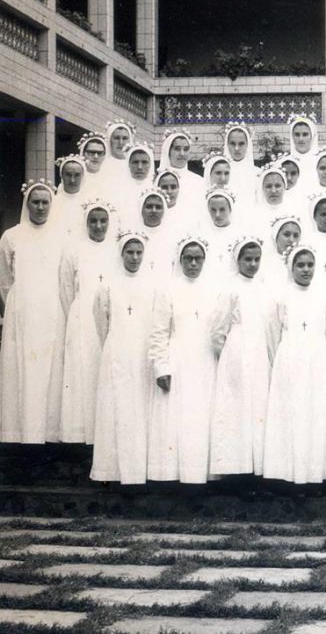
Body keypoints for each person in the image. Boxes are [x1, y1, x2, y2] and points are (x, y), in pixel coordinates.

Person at [262, 245, 326, 484]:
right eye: (300, 265)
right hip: (290, 361)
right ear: (291, 267)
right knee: (292, 415)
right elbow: (272, 333)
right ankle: (289, 475)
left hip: (316, 360)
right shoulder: (281, 297)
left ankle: (314, 475)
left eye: (310, 265)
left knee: (315, 414)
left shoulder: (324, 296)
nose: (306, 270)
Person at [148, 238, 219, 484]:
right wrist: (161, 366)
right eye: (188, 258)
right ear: (180, 260)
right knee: (177, 418)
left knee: (202, 417)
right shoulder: (168, 289)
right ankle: (173, 475)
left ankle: (200, 475)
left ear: (204, 261)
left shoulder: (214, 289)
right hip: (178, 360)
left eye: (198, 258)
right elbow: (159, 331)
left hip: (206, 361)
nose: (193, 263)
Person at [0, 181, 63, 443]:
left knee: (49, 370)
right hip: (22, 312)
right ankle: (19, 433)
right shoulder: (11, 236)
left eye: (45, 202)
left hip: (52, 311)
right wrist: (18, 305)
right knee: (21, 369)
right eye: (35, 202)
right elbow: (5, 280)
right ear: (27, 204)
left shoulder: (62, 235)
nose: (40, 207)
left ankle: (48, 433)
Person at [90, 231, 155, 484]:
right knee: (115, 408)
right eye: (130, 252)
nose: (135, 258)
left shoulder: (152, 285)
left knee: (140, 410)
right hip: (116, 353)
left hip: (142, 354)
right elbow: (101, 321)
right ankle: (111, 471)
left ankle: (140, 471)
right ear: (121, 254)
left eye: (139, 253)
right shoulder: (108, 285)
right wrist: (114, 345)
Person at [209, 237, 273, 477]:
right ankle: (235, 470)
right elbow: (217, 329)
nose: (253, 264)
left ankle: (256, 469)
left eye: (257, 259)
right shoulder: (230, 289)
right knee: (236, 409)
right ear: (238, 260)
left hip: (259, 352)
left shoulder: (264, 288)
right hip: (236, 352)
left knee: (258, 408)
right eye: (248, 259)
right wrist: (229, 355)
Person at [55, 199, 118, 444]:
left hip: (108, 317)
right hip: (81, 318)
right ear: (86, 222)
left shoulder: (116, 248)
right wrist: (77, 313)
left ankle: (105, 432)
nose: (98, 226)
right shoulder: (74, 251)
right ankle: (80, 433)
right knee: (83, 372)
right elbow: (66, 289)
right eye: (93, 221)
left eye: (103, 221)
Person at [158, 129, 204, 215]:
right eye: (177, 149)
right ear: (168, 151)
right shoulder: (157, 180)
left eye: (186, 149)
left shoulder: (199, 181)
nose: (182, 153)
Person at [223, 122, 259, 205]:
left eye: (241, 144)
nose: (236, 148)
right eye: (232, 144)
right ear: (227, 145)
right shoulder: (219, 174)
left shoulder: (257, 174)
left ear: (248, 145)